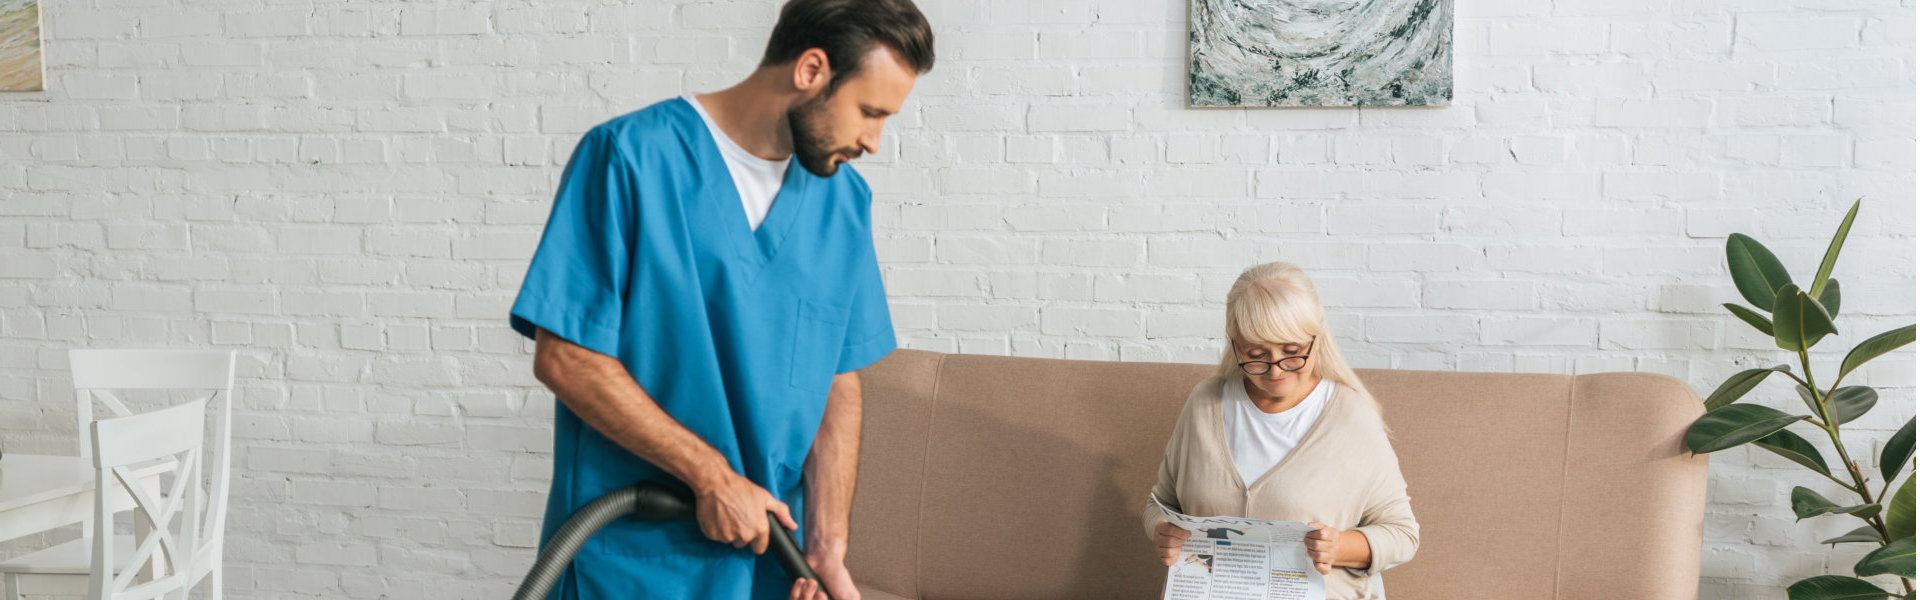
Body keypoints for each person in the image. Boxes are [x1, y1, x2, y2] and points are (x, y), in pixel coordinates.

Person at [508, 1, 934, 599]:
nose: (874, 140)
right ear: (811, 70)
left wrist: (826, 549)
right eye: (869, 111)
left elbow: (836, 379)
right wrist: (710, 476)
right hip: (636, 561)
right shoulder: (630, 158)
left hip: (767, 565)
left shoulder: (844, 206)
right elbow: (566, 357)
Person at [1142, 262, 1419, 600]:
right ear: (1234, 345)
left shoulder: (1351, 417)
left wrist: (1339, 546)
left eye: (1292, 352)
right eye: (1256, 354)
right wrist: (1162, 532)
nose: (1276, 371)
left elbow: (1402, 534)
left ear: (1317, 338)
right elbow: (1160, 503)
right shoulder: (1205, 404)